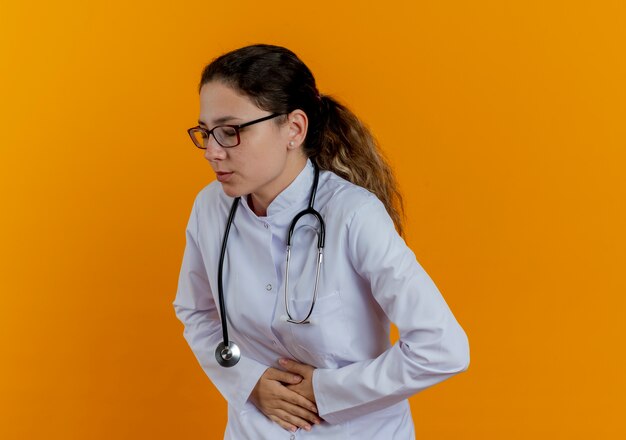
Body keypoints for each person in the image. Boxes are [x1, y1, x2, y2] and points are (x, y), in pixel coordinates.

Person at [173, 44, 470, 439]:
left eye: (231, 132)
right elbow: (197, 313)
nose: (212, 151)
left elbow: (442, 348)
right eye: (206, 132)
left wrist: (326, 390)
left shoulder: (353, 215)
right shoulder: (211, 208)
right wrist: (249, 381)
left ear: (294, 129)